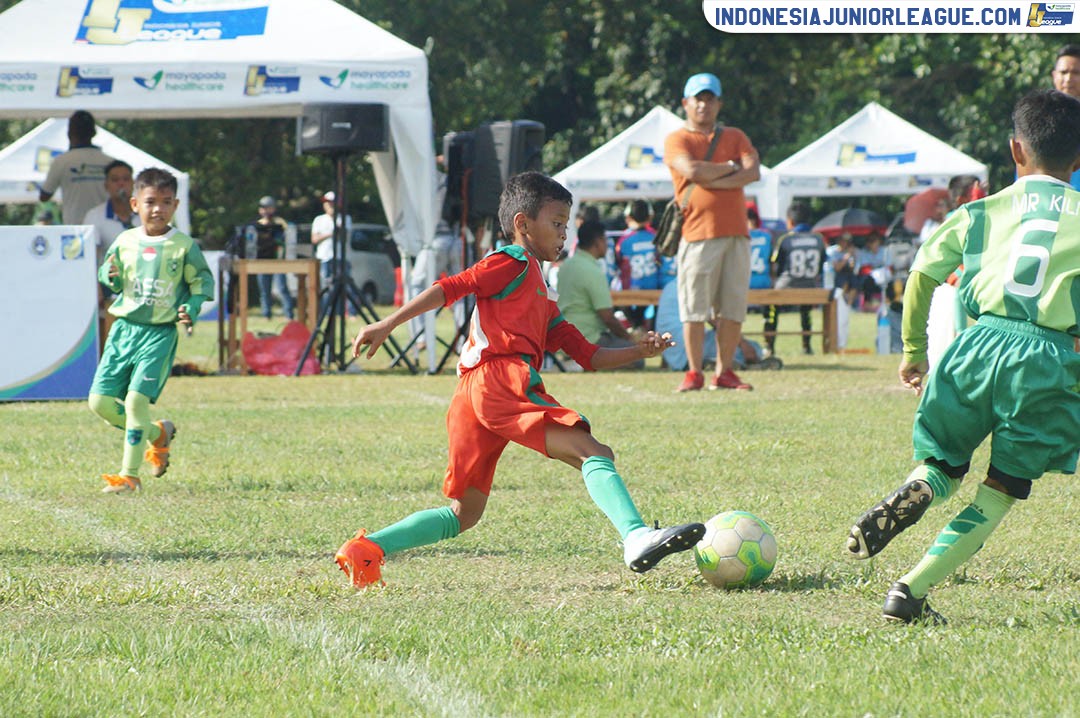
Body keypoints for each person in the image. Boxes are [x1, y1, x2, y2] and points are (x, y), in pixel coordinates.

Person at [334, 171, 704, 588]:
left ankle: (367, 550)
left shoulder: (542, 293)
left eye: (567, 225)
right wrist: (387, 323)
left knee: (465, 513)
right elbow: (452, 287)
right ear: (523, 224)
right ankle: (636, 538)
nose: (564, 234)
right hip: (499, 379)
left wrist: (640, 350)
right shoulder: (512, 260)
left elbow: (589, 355)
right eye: (557, 223)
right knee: (592, 450)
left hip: (471, 395)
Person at [845, 89, 1080, 625]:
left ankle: (921, 486)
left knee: (944, 464)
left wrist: (913, 354)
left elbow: (923, 274)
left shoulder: (980, 211)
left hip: (974, 346)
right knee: (1001, 488)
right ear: (1079, 158)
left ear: (1016, 151)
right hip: (1048, 357)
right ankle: (910, 589)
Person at [88, 167, 214, 494]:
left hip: (158, 334)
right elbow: (109, 276)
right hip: (123, 331)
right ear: (135, 204)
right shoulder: (125, 242)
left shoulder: (184, 247)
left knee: (134, 402)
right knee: (99, 402)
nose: (158, 208)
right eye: (150, 201)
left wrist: (193, 305)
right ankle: (158, 435)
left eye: (166, 202)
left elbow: (201, 283)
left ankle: (129, 476)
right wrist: (109, 275)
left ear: (175, 205)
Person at [664, 72, 760, 392]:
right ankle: (694, 372)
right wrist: (732, 168)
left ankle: (725, 371)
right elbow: (690, 170)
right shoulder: (677, 139)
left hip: (736, 233)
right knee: (693, 307)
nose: (704, 104)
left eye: (710, 98)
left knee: (732, 307)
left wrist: (712, 176)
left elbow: (754, 172)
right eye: (698, 98)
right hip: (697, 233)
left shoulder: (735, 135)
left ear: (719, 103)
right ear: (685, 104)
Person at [558, 220, 644, 369]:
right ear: (598, 242)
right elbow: (608, 317)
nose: (607, 245)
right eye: (605, 240)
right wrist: (630, 338)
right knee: (637, 357)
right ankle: (582, 364)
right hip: (588, 338)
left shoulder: (567, 265)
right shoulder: (592, 270)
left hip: (563, 338)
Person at [762, 201, 825, 357]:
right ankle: (807, 345)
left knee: (771, 306)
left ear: (790, 221)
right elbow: (822, 262)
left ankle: (769, 345)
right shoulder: (818, 238)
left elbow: (777, 263)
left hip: (787, 285)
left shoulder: (785, 239)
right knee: (806, 310)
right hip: (810, 286)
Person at [38, 110, 112, 225]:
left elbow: (44, 196)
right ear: (94, 132)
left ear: (69, 133)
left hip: (75, 230)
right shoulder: (110, 162)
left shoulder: (61, 161)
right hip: (105, 227)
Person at [83, 159, 140, 266]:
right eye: (115, 180)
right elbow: (89, 256)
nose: (121, 184)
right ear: (106, 185)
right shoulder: (94, 216)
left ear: (133, 184)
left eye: (126, 179)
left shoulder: (145, 213)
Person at [614, 199, 659, 330]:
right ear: (650, 216)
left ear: (628, 217)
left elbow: (618, 263)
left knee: (634, 320)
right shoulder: (655, 237)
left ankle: (636, 328)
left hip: (631, 290)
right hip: (654, 287)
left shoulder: (624, 240)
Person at [253, 195, 295, 320]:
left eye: (269, 208)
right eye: (264, 208)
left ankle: (289, 314)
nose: (266, 211)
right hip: (262, 262)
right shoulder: (256, 226)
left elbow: (285, 241)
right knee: (264, 291)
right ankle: (266, 314)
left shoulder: (280, 223)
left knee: (282, 288)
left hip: (278, 261)